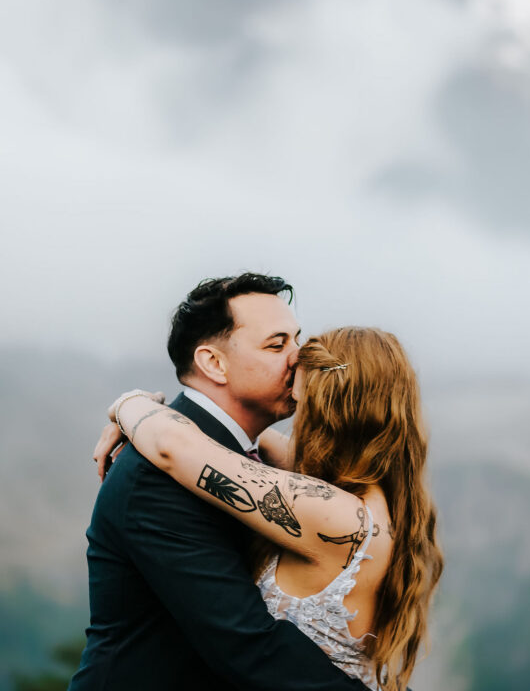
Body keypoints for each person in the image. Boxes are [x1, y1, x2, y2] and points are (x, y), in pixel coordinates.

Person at [98, 320, 443, 688]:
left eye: (301, 401)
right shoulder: (371, 495)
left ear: (328, 409)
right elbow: (254, 439)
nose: (296, 415)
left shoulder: (335, 514)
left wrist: (128, 405)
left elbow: (173, 448)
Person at [68, 273, 369, 691]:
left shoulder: (245, 453)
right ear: (213, 363)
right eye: (277, 345)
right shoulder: (156, 478)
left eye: (297, 340)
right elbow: (249, 648)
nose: (301, 358)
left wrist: (130, 405)